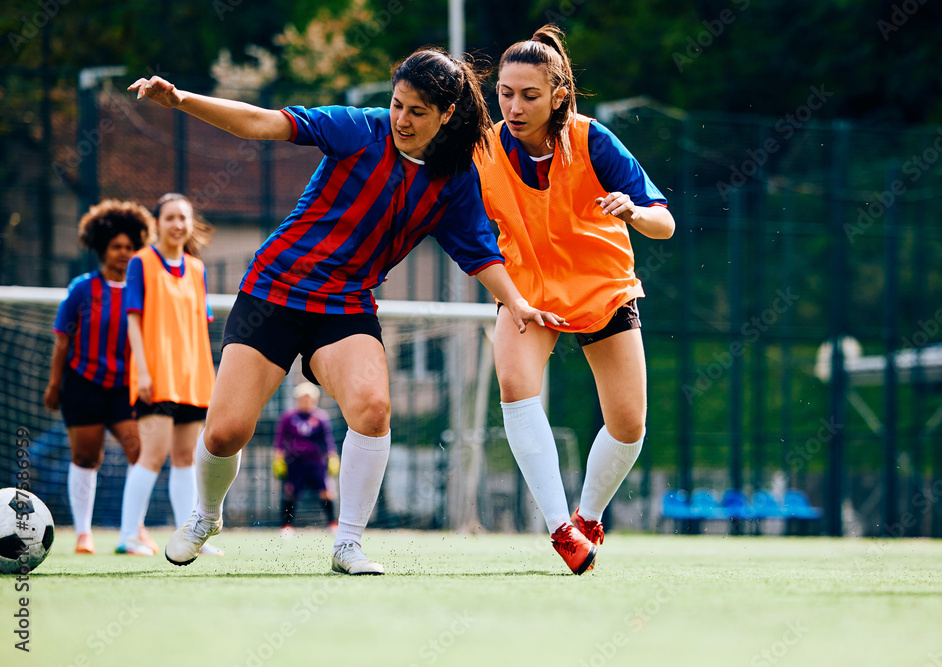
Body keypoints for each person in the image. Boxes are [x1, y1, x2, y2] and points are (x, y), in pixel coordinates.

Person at [128, 47, 564, 575]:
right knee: (223, 434)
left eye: (418, 111)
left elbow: (479, 252)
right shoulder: (359, 128)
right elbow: (263, 124)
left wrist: (516, 302)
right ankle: (205, 515)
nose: (402, 119)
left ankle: (349, 543)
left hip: (344, 305)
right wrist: (181, 100)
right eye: (398, 104)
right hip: (273, 291)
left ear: (446, 115)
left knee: (373, 407)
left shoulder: (454, 179)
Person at [474, 25, 676, 574]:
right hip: (527, 292)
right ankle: (561, 529)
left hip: (603, 289)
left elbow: (665, 222)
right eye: (505, 94)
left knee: (629, 425)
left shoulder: (593, 140)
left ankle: (588, 516)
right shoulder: (484, 147)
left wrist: (633, 211)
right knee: (516, 388)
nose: (514, 107)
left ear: (558, 95)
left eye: (530, 95)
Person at [43, 200, 153, 555]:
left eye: (129, 247)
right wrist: (55, 385)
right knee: (87, 458)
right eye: (116, 247)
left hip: (127, 388)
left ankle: (135, 529)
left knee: (142, 453)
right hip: (83, 384)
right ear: (102, 248)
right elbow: (62, 341)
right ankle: (83, 533)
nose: (123, 253)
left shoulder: (143, 291)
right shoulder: (82, 289)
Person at [118, 193, 223, 557]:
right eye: (171, 218)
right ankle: (129, 535)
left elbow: (197, 324)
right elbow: (133, 319)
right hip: (156, 376)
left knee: (186, 459)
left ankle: (189, 537)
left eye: (184, 218)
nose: (178, 224)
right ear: (157, 223)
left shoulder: (197, 269)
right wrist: (143, 372)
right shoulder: (140, 263)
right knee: (152, 455)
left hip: (192, 377)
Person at [273, 382, 340, 536]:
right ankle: (286, 526)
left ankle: (333, 524)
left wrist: (332, 456)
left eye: (309, 398)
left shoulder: (321, 418)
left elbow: (327, 440)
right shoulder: (288, 417)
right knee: (290, 492)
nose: (306, 401)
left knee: (326, 492)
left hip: (316, 462)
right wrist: (278, 457)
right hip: (294, 462)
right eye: (303, 398)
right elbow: (280, 440)